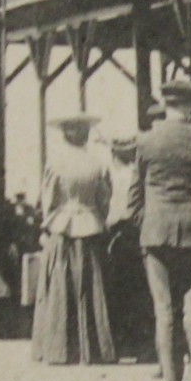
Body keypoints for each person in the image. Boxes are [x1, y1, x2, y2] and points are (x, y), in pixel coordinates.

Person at [132, 79, 191, 381]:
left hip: (156, 231)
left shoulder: (145, 141)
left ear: (166, 103)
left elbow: (135, 194)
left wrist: (145, 223)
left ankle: (171, 378)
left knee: (164, 308)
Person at [32, 113, 117, 366]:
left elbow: (48, 201)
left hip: (63, 227)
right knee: (92, 287)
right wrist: (96, 216)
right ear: (85, 135)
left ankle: (58, 349)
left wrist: (52, 220)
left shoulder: (55, 164)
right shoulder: (98, 164)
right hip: (90, 227)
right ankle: (93, 349)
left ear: (65, 136)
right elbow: (105, 201)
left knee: (59, 285)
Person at [101, 130, 153, 363]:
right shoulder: (139, 173)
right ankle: (143, 346)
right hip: (137, 234)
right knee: (140, 292)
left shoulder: (108, 174)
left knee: (115, 291)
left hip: (114, 235)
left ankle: (119, 346)